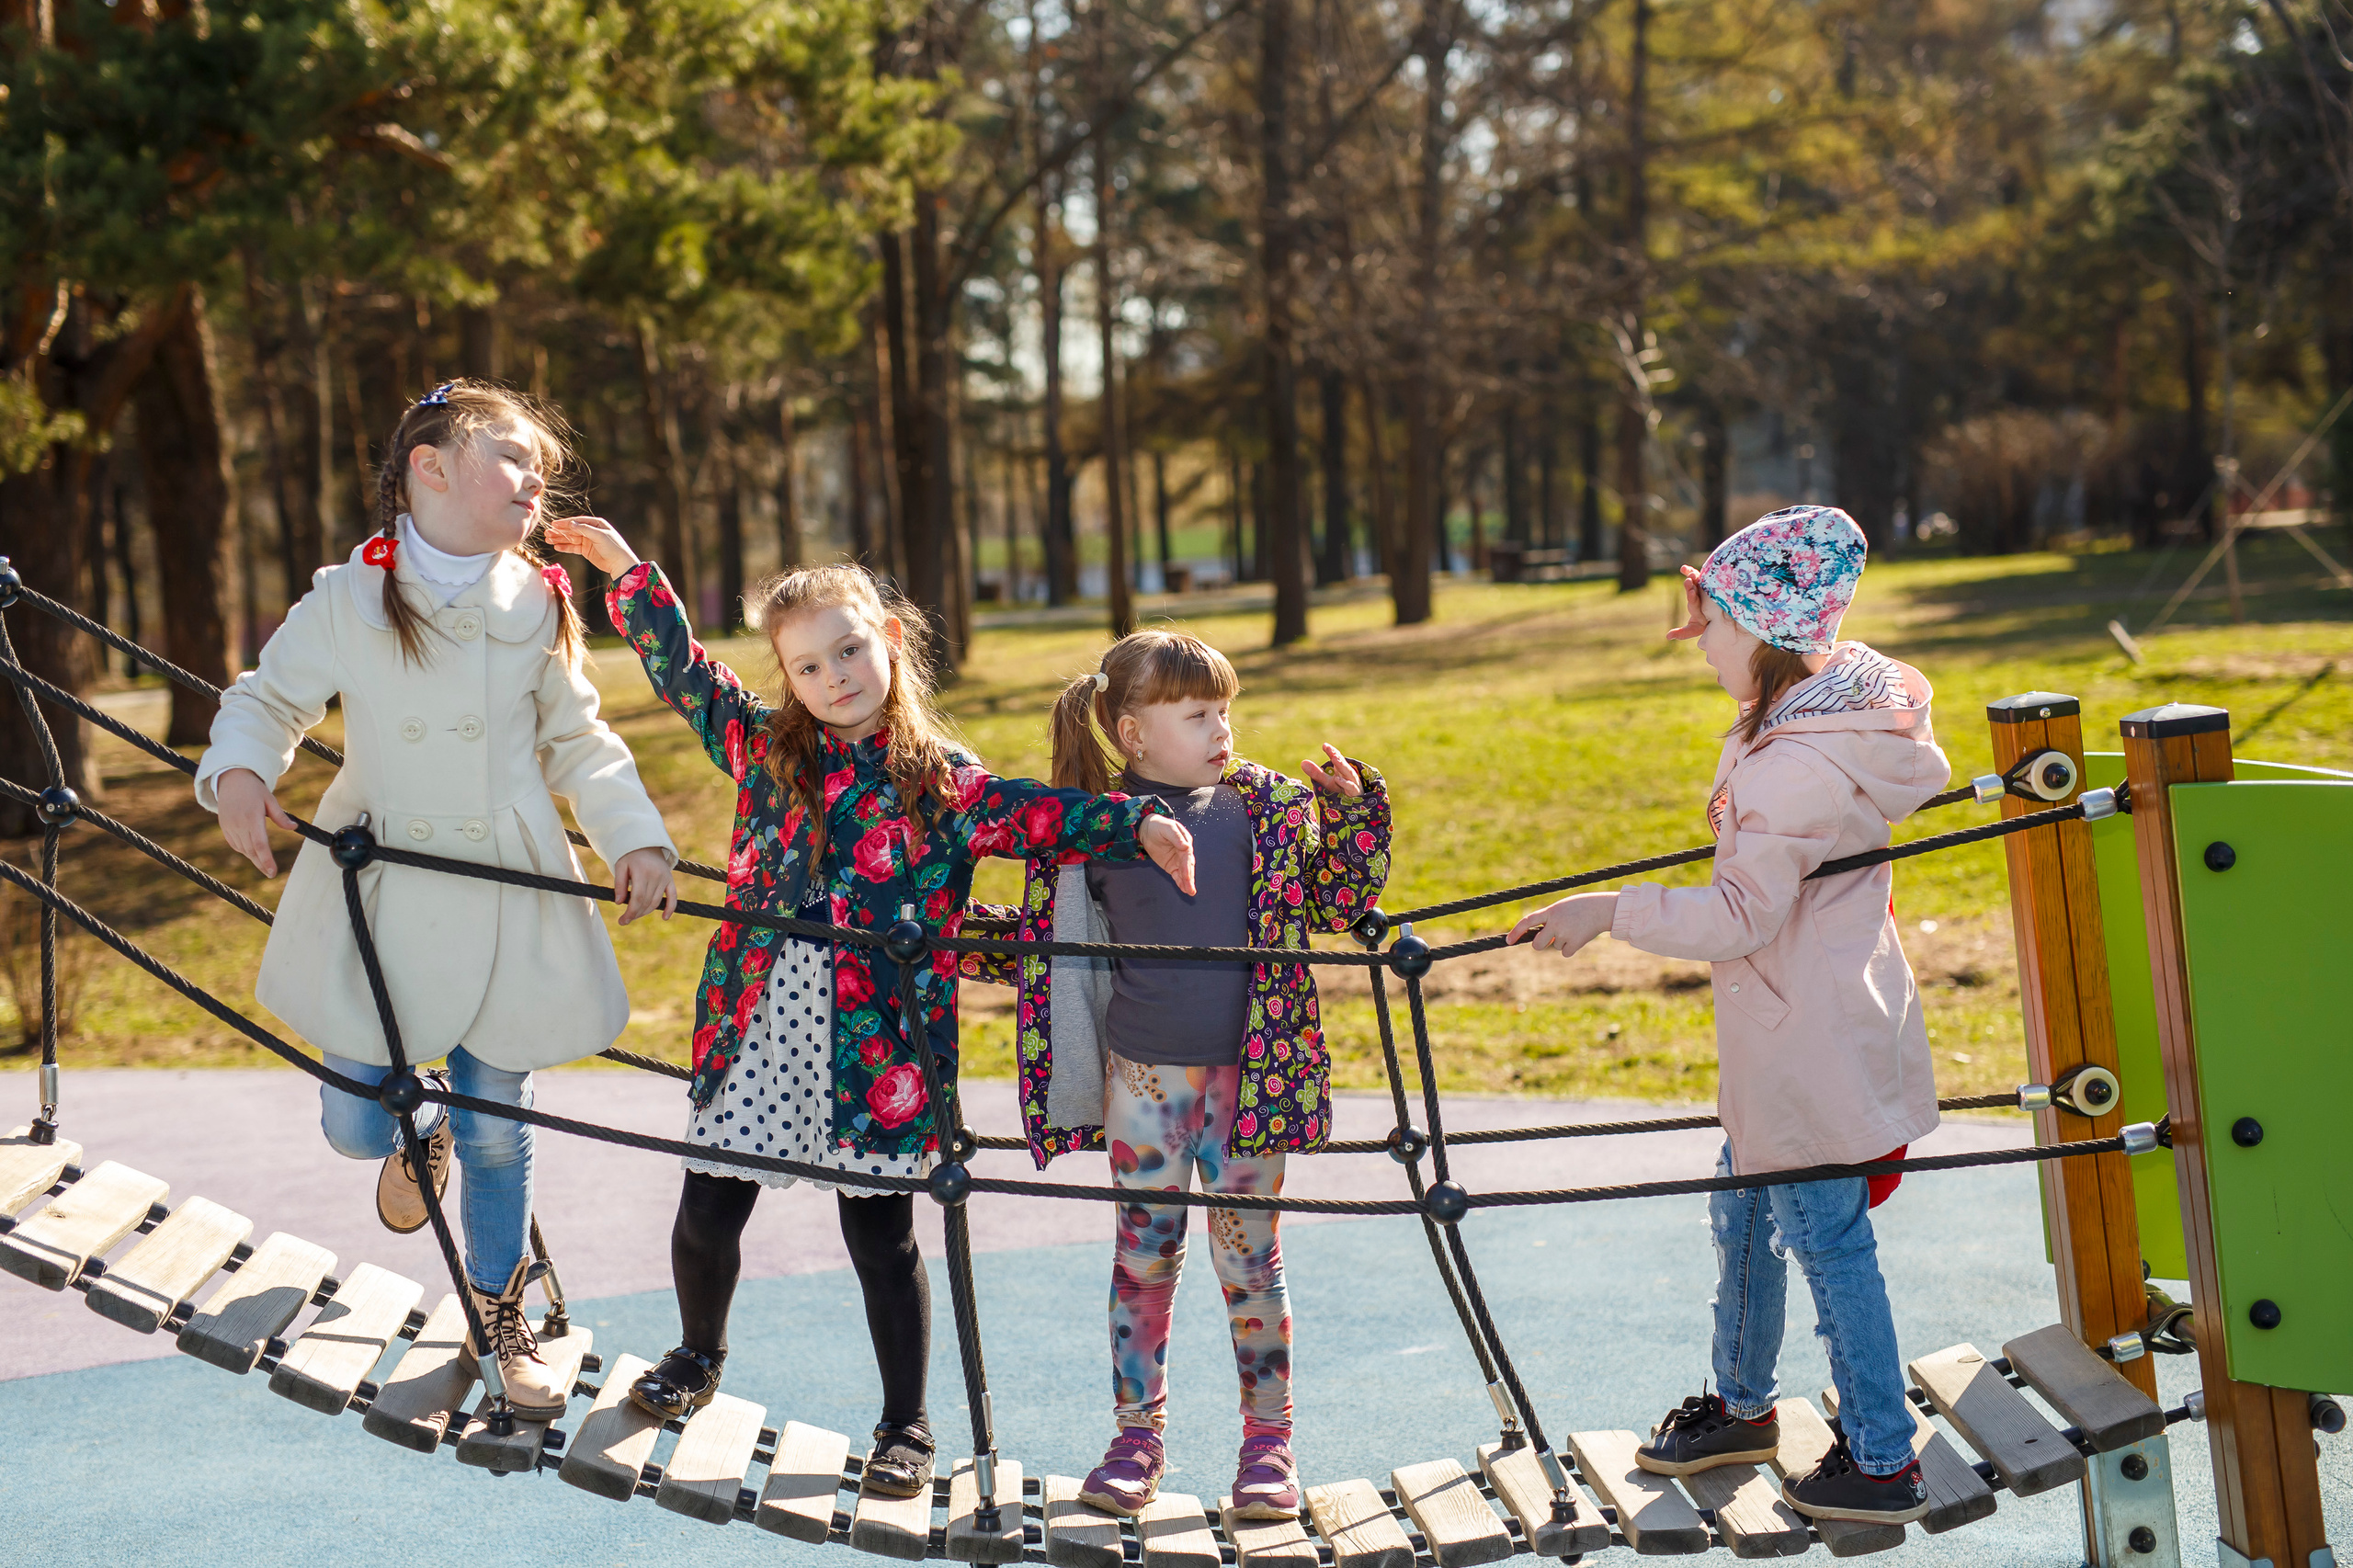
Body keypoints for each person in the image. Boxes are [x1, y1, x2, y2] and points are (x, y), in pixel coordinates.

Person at [548, 518, 1199, 1501]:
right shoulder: (766, 749)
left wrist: (1136, 818)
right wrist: (629, 577)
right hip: (759, 1022)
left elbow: (1034, 812)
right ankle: (696, 1353)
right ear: (790, 681)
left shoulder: (941, 779)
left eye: (849, 648)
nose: (835, 675)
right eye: (807, 665)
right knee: (709, 1205)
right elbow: (685, 674)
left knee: (881, 1237)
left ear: (890, 638)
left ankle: (906, 1422)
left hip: (882, 1048)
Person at [198, 380, 680, 1421]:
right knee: (359, 1126)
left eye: (540, 463)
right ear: (433, 467)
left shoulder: (539, 597)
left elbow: (578, 737)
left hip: (506, 881)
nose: (536, 476)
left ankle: (499, 1318)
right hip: (381, 879)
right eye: (512, 455)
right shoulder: (348, 596)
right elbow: (269, 695)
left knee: (500, 1121)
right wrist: (241, 770)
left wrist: (633, 831)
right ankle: (419, 1134)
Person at [1507, 506, 1948, 1526]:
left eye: (1705, 625)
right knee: (1742, 1207)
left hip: (1807, 1039)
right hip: (1796, 1025)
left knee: (1825, 1239)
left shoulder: (1796, 758)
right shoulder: (1797, 725)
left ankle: (1883, 1458)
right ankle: (1745, 1406)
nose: (1696, 644)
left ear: (1756, 627)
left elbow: (1743, 912)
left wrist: (1611, 912)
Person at [983, 629, 1390, 1522]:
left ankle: (1268, 1444)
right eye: (1197, 712)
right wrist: (959, 940)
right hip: (1145, 1083)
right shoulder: (1098, 825)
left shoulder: (1268, 808)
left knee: (1253, 1262)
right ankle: (1136, 1438)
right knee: (1143, 1259)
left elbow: (1337, 900)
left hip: (1252, 1079)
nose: (1221, 726)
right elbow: (1051, 936)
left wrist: (1352, 814)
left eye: (1224, 708)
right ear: (1132, 734)